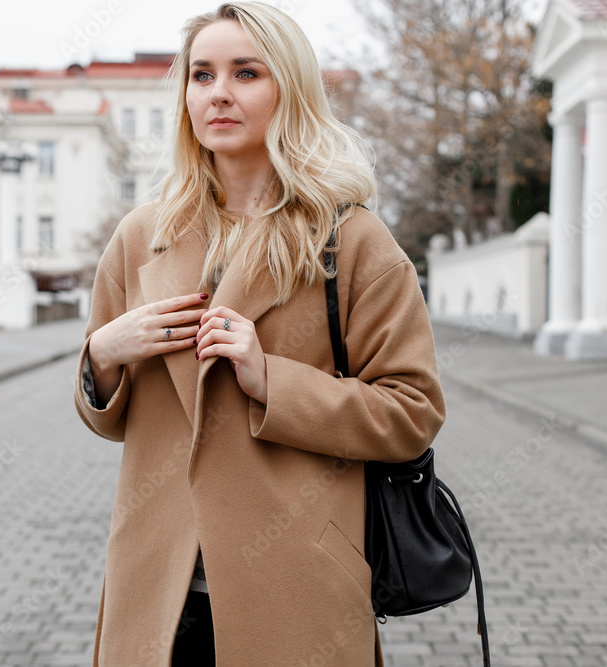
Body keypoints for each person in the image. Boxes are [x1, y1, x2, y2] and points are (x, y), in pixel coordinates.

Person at [73, 3, 445, 665]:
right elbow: (109, 417)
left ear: (289, 89)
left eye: (246, 73)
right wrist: (103, 354)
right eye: (201, 75)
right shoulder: (142, 236)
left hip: (294, 585)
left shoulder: (350, 239)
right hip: (158, 593)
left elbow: (412, 411)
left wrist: (271, 378)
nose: (218, 92)